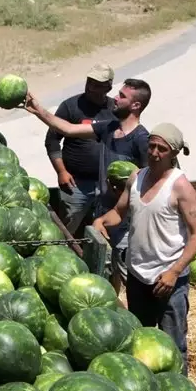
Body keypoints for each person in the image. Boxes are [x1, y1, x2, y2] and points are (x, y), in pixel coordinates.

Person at [93, 124, 196, 374]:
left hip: (167, 280)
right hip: (137, 276)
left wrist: (175, 272)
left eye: (162, 149)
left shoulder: (181, 187)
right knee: (140, 341)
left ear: (174, 153)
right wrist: (101, 221)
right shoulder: (136, 178)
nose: (154, 152)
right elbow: (118, 213)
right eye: (152, 146)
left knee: (173, 346)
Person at [28, 76, 152, 235]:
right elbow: (68, 129)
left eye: (122, 96)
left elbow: (151, 182)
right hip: (103, 210)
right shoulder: (110, 127)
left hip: (123, 217)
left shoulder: (142, 140)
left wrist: (126, 191)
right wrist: (38, 109)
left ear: (135, 105)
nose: (115, 98)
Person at [40, 64, 117, 237]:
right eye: (89, 82)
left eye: (97, 84)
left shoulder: (115, 109)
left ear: (109, 87)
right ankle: (62, 254)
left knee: (104, 228)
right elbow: (52, 140)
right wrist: (61, 171)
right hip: (76, 184)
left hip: (106, 185)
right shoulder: (71, 106)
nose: (90, 87)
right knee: (67, 227)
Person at [91, 159, 137, 295]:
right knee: (116, 271)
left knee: (126, 275)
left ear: (114, 188)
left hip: (124, 244)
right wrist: (101, 221)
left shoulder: (126, 203)